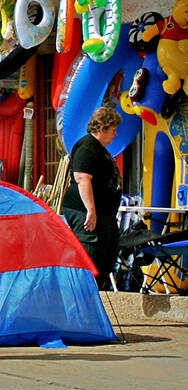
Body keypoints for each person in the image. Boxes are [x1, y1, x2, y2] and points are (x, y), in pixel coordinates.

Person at [61, 105, 123, 289]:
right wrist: (91, 210)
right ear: (103, 128)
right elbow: (82, 178)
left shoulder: (100, 149)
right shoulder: (87, 146)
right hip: (86, 211)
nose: (116, 134)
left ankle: (94, 294)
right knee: (91, 254)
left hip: (105, 213)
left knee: (108, 254)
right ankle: (81, 301)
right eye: (113, 130)